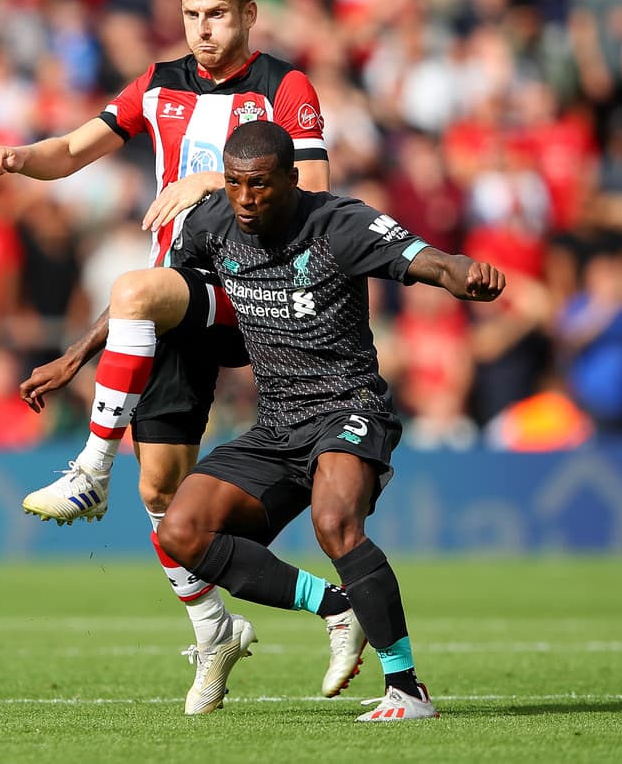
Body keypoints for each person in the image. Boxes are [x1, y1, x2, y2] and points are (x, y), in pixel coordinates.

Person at [0, 0, 345, 715]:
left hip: (255, 287)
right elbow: (74, 149)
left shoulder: (284, 87)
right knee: (165, 499)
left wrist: (214, 178)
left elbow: (313, 189)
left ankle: (88, 468)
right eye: (191, 15)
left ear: (246, 15)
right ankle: (220, 625)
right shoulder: (161, 85)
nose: (202, 30)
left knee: (133, 286)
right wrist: (16, 156)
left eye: (216, 15)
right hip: (177, 300)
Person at [115, 120, 504, 720]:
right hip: (276, 427)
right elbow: (152, 293)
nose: (246, 198)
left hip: (349, 409)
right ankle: (335, 606)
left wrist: (465, 274)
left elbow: (429, 259)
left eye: (261, 185)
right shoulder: (210, 223)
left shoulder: (338, 223)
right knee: (180, 532)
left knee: (334, 524)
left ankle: (406, 688)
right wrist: (78, 351)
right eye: (237, 183)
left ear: (292, 179)